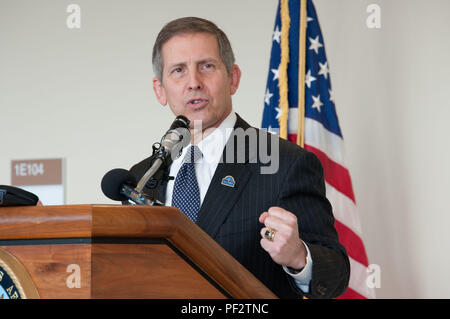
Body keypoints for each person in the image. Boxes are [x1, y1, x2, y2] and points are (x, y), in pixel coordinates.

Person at [130, 17, 350, 299]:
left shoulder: (284, 163)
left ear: (233, 78)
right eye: (178, 71)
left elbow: (336, 275)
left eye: (206, 66)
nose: (194, 83)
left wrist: (298, 257)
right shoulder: (141, 177)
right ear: (160, 90)